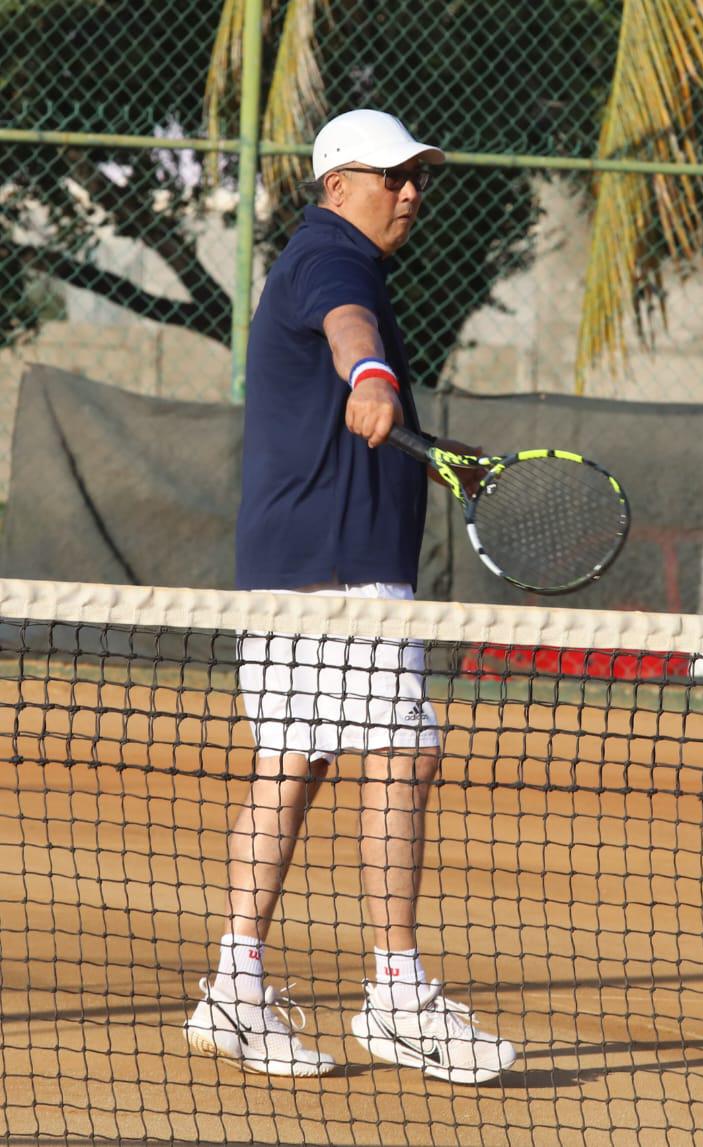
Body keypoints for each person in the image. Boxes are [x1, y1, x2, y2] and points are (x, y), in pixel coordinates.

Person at [183, 109, 515, 1082]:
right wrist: (369, 369)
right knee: (402, 755)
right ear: (338, 185)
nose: (411, 191)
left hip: (300, 567)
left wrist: (431, 455)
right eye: (391, 175)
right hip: (336, 577)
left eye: (419, 176)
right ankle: (397, 991)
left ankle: (233, 989)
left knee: (293, 766)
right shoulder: (335, 257)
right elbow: (347, 327)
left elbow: (340, 413)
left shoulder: (313, 254)